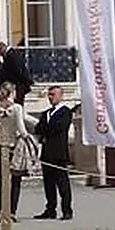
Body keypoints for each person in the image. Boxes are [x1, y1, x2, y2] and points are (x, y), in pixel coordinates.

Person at [0, 81, 39, 219]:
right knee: (16, 179)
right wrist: (29, 138)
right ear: (12, 92)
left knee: (3, 180)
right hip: (14, 146)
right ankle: (11, 211)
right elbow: (21, 128)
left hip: (2, 145)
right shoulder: (17, 108)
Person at [32, 85, 75, 220]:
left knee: (62, 183)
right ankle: (50, 209)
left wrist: (46, 130)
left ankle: (67, 210)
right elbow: (38, 129)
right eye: (49, 95)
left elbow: (59, 127)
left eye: (53, 94)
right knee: (48, 184)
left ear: (61, 96)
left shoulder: (65, 112)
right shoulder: (46, 113)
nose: (50, 97)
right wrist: (45, 129)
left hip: (59, 153)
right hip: (47, 153)